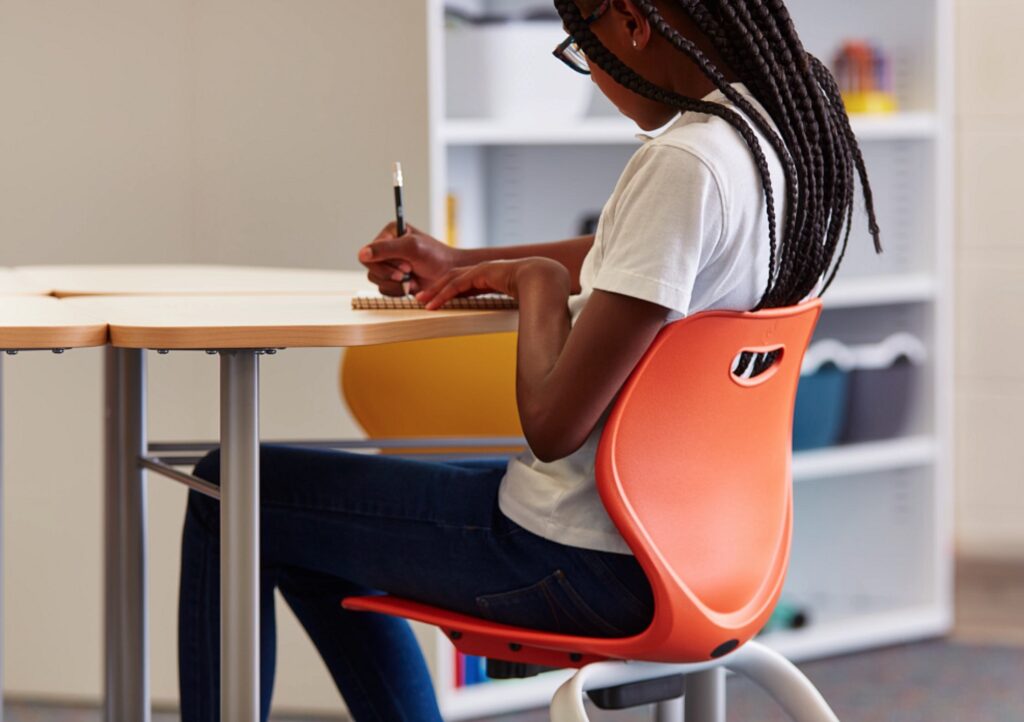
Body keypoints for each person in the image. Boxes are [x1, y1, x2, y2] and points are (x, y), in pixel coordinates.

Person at [177, 0, 881, 719]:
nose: (595, 76)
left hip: (579, 558)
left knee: (230, 489)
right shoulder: (780, 142)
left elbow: (552, 424)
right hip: (701, 550)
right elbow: (636, 264)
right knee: (323, 513)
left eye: (584, 46)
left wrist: (535, 280)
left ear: (634, 23)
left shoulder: (685, 160)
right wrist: (464, 262)